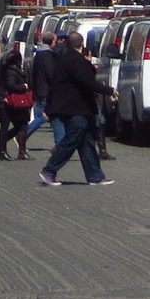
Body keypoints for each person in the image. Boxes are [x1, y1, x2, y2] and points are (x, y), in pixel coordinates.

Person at [37, 30, 110, 186]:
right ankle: (49, 170)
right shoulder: (75, 60)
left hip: (78, 107)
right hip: (75, 107)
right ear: (82, 43)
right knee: (72, 140)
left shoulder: (65, 59)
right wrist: (109, 90)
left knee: (87, 141)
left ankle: (95, 176)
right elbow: (87, 82)